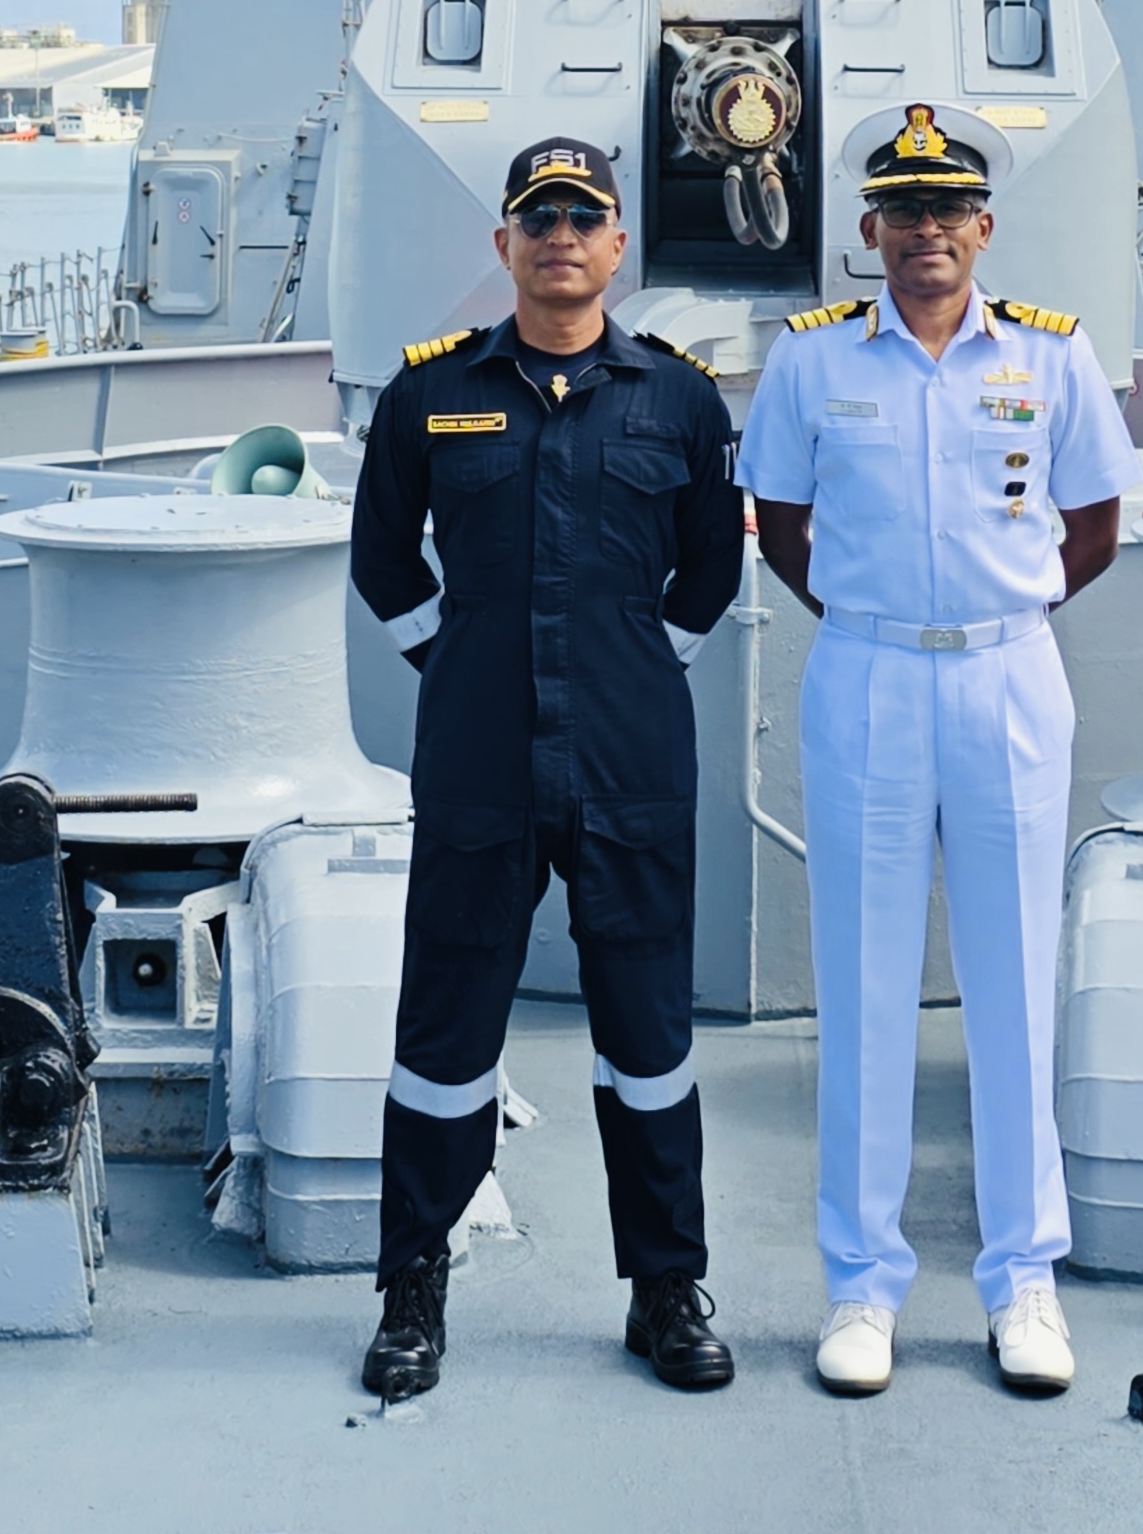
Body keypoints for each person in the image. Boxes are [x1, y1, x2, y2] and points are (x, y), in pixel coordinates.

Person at [736, 104, 1137, 1402]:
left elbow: (1096, 523)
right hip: (864, 674)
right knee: (861, 983)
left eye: (946, 210)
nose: (925, 233)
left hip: (1012, 675)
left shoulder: (1052, 360)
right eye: (901, 212)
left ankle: (1026, 1281)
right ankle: (862, 1287)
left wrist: (997, 613)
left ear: (984, 227)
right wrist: (886, 619)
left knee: (1015, 979)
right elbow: (781, 524)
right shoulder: (809, 365)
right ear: (870, 231)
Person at [347, 136, 750, 1402]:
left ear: (618, 244)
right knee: (444, 1032)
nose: (561, 235)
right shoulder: (430, 396)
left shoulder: (679, 400)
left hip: (630, 763)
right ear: (505, 246)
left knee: (651, 1038)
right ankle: (414, 1286)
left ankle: (665, 1290)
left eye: (584, 217)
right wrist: (456, 662)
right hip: (477, 765)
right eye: (538, 217)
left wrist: (639, 663)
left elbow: (709, 573)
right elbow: (382, 562)